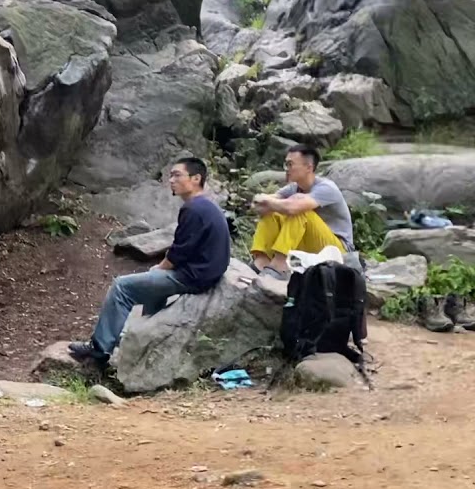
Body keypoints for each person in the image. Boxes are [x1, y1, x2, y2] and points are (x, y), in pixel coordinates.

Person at [68, 157, 231, 365]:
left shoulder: (194, 209)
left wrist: (159, 267)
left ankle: (98, 350)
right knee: (153, 279)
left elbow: (178, 253)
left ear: (196, 178)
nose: (171, 180)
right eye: (170, 175)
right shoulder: (206, 206)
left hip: (194, 278)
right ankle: (142, 337)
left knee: (121, 287)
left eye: (177, 175)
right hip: (204, 274)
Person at [250, 144, 354, 279]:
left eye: (290, 164)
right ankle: (262, 260)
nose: (286, 169)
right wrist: (266, 202)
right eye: (286, 164)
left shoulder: (326, 188)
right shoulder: (293, 188)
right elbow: (259, 206)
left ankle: (280, 265)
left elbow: (292, 207)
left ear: (308, 167)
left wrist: (267, 200)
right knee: (273, 212)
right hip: (309, 246)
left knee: (299, 211)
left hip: (337, 251)